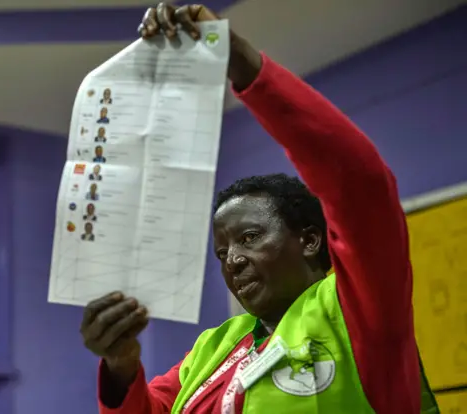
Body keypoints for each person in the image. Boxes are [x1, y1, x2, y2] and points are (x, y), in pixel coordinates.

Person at [79, 3, 439, 414]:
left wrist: (243, 66)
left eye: (249, 238)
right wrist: (121, 364)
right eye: (221, 252)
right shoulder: (214, 348)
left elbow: (361, 185)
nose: (232, 260)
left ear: (307, 239)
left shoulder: (357, 310)